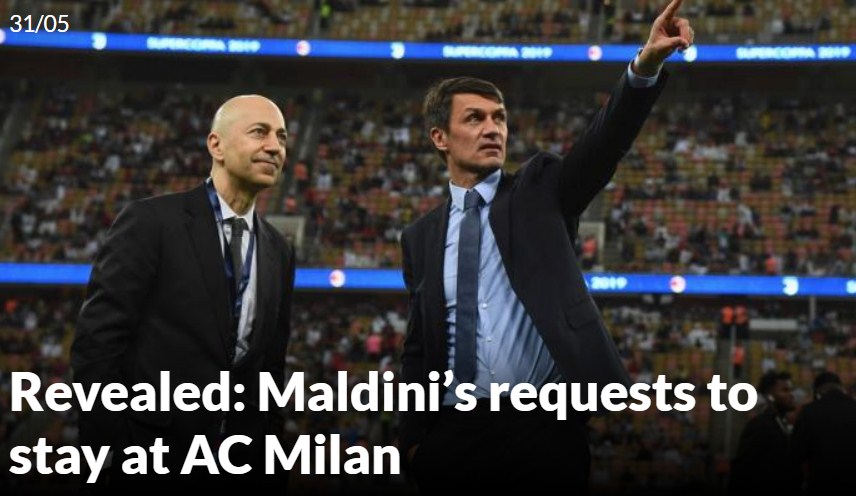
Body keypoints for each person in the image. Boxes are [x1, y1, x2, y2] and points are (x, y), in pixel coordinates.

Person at [398, 0, 692, 492]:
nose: (492, 129)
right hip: (452, 434)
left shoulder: (539, 190)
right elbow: (418, 347)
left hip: (542, 430)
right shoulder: (419, 237)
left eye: (499, 118)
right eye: (474, 119)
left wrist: (645, 66)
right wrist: (411, 441)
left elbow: (604, 143)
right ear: (440, 137)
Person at [72, 95, 295, 490]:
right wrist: (109, 451)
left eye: (281, 137)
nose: (275, 147)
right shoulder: (151, 222)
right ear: (216, 145)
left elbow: (270, 371)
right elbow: (98, 342)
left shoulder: (279, 249)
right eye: (259, 132)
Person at [729, 371, 800, 495]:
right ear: (770, 396)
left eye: (791, 390)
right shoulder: (759, 425)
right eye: (785, 390)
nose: (792, 395)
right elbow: (743, 469)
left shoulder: (781, 423)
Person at [791, 371, 856, 494]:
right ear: (841, 388)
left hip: (821, 483)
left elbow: (796, 454)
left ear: (817, 392)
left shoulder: (809, 412)